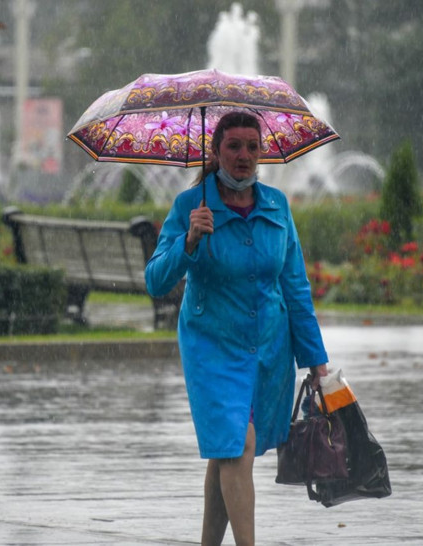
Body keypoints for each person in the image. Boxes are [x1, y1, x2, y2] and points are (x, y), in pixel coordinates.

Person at [145, 111, 329, 546]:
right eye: (233, 146)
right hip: (211, 346)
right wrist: (189, 242)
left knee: (228, 451)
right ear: (215, 151)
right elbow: (156, 280)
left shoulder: (276, 206)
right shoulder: (190, 207)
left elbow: (295, 286)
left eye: (252, 146)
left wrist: (316, 360)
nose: (243, 156)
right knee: (235, 444)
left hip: (268, 348)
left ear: (262, 151)